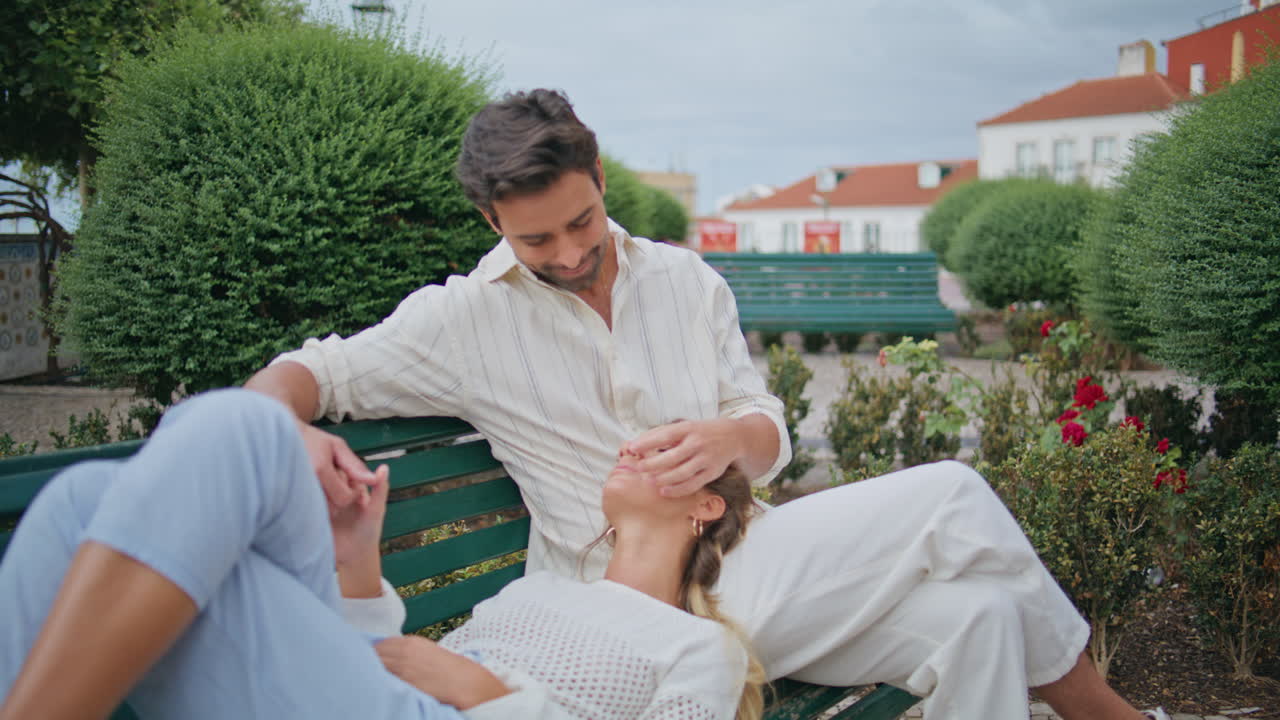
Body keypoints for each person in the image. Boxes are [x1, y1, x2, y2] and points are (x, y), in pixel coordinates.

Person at [241, 88, 1159, 719]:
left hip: (750, 557)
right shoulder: (459, 320)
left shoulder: (684, 279)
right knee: (953, 500)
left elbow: (766, 425)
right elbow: (312, 373)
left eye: (579, 223)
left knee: (981, 619)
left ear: (598, 174)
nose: (566, 253)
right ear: (491, 222)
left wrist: (736, 436)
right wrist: (274, 424)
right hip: (635, 609)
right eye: (535, 239)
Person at [0, 389, 764, 720]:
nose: (633, 448)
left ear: (707, 503)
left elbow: (435, 678)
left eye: (663, 450)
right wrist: (357, 561)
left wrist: (484, 693)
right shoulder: (539, 589)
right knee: (84, 498)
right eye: (635, 440)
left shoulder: (700, 649)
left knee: (248, 428)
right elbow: (389, 661)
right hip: (383, 687)